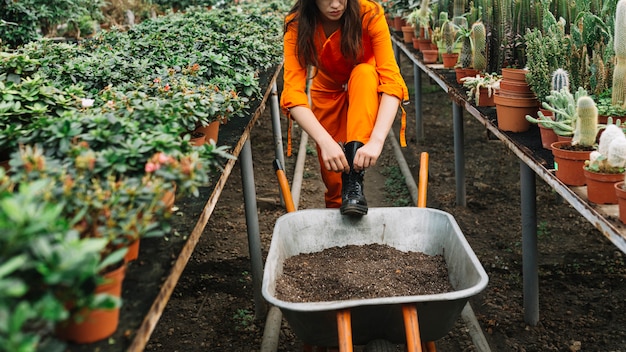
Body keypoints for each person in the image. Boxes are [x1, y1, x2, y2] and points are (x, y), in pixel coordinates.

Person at [280, 0, 409, 216]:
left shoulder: (369, 13)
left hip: (365, 86)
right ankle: (337, 227)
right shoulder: (296, 24)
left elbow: (392, 81)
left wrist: (376, 141)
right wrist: (325, 141)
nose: (336, 4)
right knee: (334, 178)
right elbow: (293, 93)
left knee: (365, 73)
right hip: (327, 90)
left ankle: (354, 180)